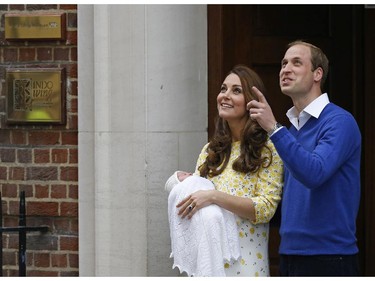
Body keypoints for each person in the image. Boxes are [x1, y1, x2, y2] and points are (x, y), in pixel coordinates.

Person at [247, 40, 361, 276]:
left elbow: (314, 173)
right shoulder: (291, 131)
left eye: (296, 63)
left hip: (330, 257)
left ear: (317, 73)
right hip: (289, 254)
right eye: (284, 63)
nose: (285, 69)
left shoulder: (340, 122)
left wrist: (273, 128)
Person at [176, 65, 284, 276]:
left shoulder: (268, 149)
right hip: (209, 266)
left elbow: (265, 209)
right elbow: (194, 205)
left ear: (251, 101)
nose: (225, 96)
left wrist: (214, 196)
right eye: (223, 88)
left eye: (236, 90)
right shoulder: (210, 150)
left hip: (248, 266)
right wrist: (181, 185)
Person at [165, 171, 241, 277]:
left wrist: (211, 196)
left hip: (217, 214)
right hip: (205, 219)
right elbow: (177, 199)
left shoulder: (199, 179)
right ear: (178, 181)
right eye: (182, 174)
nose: (188, 173)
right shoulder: (182, 187)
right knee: (206, 253)